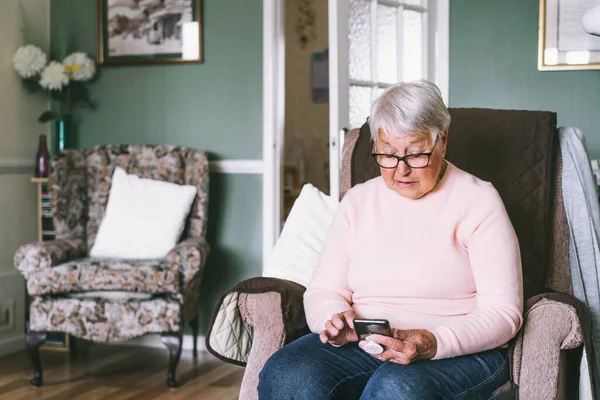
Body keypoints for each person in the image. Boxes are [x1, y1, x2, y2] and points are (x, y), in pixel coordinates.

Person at [258, 80, 523, 399]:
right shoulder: (358, 201)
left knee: (394, 388)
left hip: (458, 348)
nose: (401, 170)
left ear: (443, 141)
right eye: (387, 155)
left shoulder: (479, 201)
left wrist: (433, 342)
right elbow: (325, 289)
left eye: (415, 154)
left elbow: (504, 313)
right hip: (366, 343)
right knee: (285, 373)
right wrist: (335, 319)